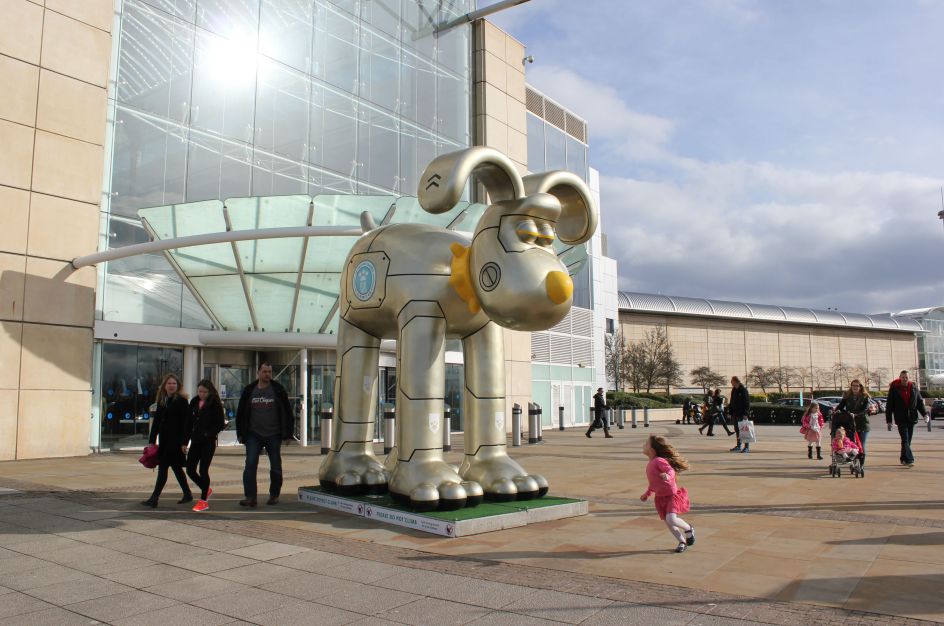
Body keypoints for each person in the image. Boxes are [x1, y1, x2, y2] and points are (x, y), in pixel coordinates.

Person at [236, 362, 294, 506]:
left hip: (273, 434)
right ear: (258, 372)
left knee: (275, 466)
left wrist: (287, 434)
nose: (267, 374)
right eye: (264, 371)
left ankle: (274, 495)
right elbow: (241, 413)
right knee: (250, 464)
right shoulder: (250, 390)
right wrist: (240, 433)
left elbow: (287, 412)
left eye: (269, 372)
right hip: (253, 434)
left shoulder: (278, 390)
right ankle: (250, 497)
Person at [142, 374, 193, 508]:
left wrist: (184, 442)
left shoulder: (182, 401)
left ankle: (154, 498)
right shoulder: (163, 401)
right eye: (169, 383)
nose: (171, 386)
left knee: (163, 468)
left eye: (174, 384)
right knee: (176, 468)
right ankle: (187, 494)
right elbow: (157, 422)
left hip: (175, 443)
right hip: (165, 442)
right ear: (165, 386)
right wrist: (152, 441)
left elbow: (187, 424)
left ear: (178, 386)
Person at [640, 435, 694, 553]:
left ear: (652, 450)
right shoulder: (650, 464)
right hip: (660, 498)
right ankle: (682, 542)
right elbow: (653, 483)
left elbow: (670, 470)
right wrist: (647, 494)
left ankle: (688, 528)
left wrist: (668, 476)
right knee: (669, 522)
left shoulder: (659, 461)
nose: (643, 445)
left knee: (671, 519)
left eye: (646, 444)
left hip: (671, 496)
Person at [187, 379, 227, 512]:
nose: (202, 394)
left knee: (203, 470)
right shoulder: (194, 401)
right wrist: (185, 441)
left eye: (204, 392)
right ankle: (206, 488)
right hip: (195, 440)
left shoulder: (214, 403)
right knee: (190, 469)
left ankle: (203, 500)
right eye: (200, 391)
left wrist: (208, 433)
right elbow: (189, 422)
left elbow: (220, 424)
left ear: (209, 392)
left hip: (208, 442)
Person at [885, 370, 927, 467]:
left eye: (906, 377)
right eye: (903, 377)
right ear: (900, 377)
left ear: (909, 378)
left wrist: (925, 414)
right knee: (905, 439)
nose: (905, 379)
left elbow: (919, 403)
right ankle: (909, 460)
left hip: (911, 418)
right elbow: (889, 405)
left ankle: (903, 458)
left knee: (908, 441)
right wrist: (889, 420)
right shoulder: (894, 388)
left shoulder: (913, 387)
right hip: (900, 418)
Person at [834, 379, 871, 467]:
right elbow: (840, 407)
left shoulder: (865, 397)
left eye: (857, 386)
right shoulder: (847, 396)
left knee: (861, 444)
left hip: (862, 423)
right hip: (850, 423)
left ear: (860, 387)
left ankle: (861, 464)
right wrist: (838, 411)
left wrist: (856, 414)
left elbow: (865, 409)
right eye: (853, 385)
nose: (855, 387)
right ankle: (851, 460)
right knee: (850, 443)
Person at [728, 376, 752, 453]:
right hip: (735, 414)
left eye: (732, 381)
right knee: (737, 430)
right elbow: (731, 401)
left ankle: (746, 447)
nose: (731, 383)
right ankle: (738, 446)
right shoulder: (734, 390)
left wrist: (746, 413)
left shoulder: (743, 390)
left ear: (735, 381)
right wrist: (730, 412)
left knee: (744, 431)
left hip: (742, 414)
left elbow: (747, 402)